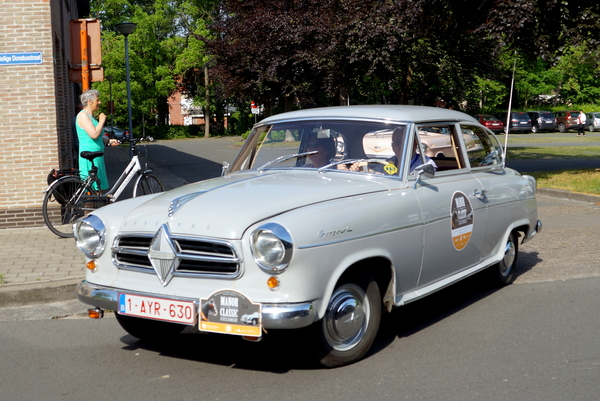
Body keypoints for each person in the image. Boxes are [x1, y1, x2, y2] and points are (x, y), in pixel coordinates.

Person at [76, 89, 120, 190]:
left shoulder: (91, 117)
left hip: (97, 156)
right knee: (93, 189)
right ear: (89, 101)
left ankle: (97, 205)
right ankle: (90, 205)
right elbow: (94, 134)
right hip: (90, 156)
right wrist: (101, 121)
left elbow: (98, 135)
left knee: (99, 188)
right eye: (97, 100)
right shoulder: (82, 115)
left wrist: (108, 141)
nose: (99, 102)